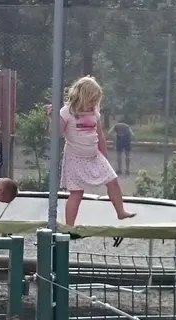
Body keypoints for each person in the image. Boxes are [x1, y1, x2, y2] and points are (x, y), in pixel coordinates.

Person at [58, 76, 135, 226]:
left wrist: (104, 155)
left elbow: (99, 134)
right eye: (91, 101)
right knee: (76, 192)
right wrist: (52, 118)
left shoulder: (94, 112)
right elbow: (57, 132)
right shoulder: (67, 112)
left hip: (94, 156)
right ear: (81, 97)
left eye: (96, 101)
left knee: (112, 180)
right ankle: (69, 225)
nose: (94, 105)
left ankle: (120, 211)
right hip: (75, 157)